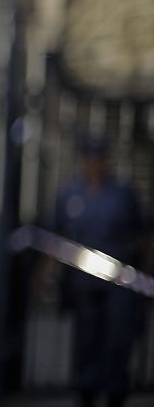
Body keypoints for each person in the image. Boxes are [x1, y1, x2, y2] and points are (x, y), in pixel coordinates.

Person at [55, 135, 147, 407]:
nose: (94, 163)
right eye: (89, 157)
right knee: (86, 340)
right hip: (83, 283)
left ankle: (115, 392)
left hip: (118, 281)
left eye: (99, 157)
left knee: (117, 339)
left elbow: (143, 235)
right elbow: (58, 238)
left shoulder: (122, 193)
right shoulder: (71, 194)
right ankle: (86, 391)